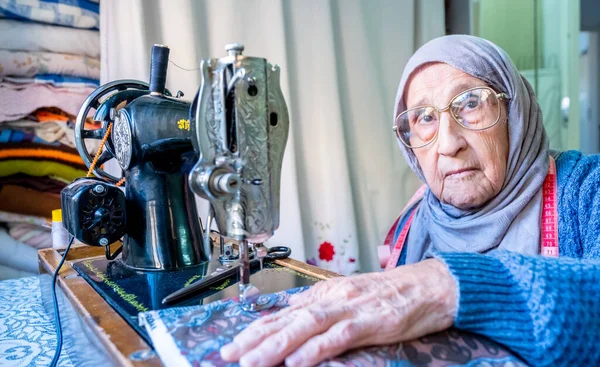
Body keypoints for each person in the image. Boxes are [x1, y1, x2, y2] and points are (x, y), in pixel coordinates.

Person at [219, 35, 600, 367]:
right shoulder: (414, 219)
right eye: (423, 118)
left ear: (514, 113)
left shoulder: (586, 188)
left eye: (471, 103)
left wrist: (444, 284)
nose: (449, 143)